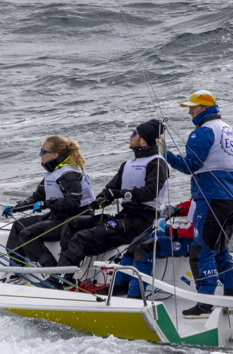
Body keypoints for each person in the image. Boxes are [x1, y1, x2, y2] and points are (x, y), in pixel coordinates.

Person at [56, 119, 169, 279]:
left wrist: (120, 194)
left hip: (141, 222)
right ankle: (64, 274)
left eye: (134, 133)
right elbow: (111, 188)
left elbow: (150, 192)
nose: (131, 136)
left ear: (143, 140)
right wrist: (100, 200)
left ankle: (60, 279)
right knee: (72, 225)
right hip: (124, 217)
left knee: (81, 238)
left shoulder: (157, 163)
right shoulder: (127, 164)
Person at [164, 90, 233, 317]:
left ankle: (205, 305)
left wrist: (165, 154)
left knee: (201, 251)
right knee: (221, 250)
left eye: (193, 107)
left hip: (212, 199)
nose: (189, 112)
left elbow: (190, 166)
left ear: (204, 109)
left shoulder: (202, 131)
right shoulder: (227, 129)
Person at [1, 136, 94, 270]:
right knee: (18, 226)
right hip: (58, 216)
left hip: (74, 220)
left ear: (55, 155)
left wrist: (47, 204)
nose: (40, 154)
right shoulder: (55, 171)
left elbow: (73, 203)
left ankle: (52, 271)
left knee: (27, 234)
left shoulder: (69, 174)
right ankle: (16, 271)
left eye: (43, 151)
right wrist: (16, 208)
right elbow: (38, 196)